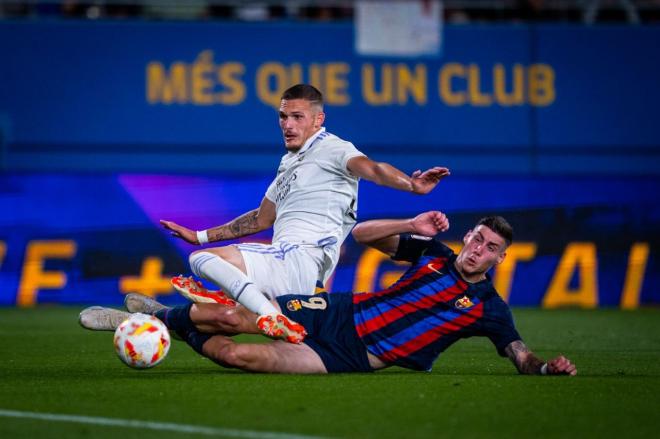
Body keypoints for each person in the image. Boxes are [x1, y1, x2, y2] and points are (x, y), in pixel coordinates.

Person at [80, 211, 577, 376]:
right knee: (232, 318)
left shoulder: (490, 309)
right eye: (476, 238)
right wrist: (411, 223)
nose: (477, 249)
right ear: (467, 238)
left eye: (490, 248)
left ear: (499, 259)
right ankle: (160, 314)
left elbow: (520, 356)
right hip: (337, 311)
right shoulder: (434, 254)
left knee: (237, 355)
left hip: (355, 357)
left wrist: (543, 368)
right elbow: (360, 234)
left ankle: (169, 323)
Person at [160, 83, 450, 343]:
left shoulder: (334, 148)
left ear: (317, 120)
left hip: (303, 255)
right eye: (283, 117)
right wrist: (199, 235)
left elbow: (374, 170)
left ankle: (264, 312)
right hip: (287, 263)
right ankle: (234, 305)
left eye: (297, 117)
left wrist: (412, 185)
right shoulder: (289, 164)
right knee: (222, 315)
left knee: (201, 262)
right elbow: (261, 219)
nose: (288, 124)